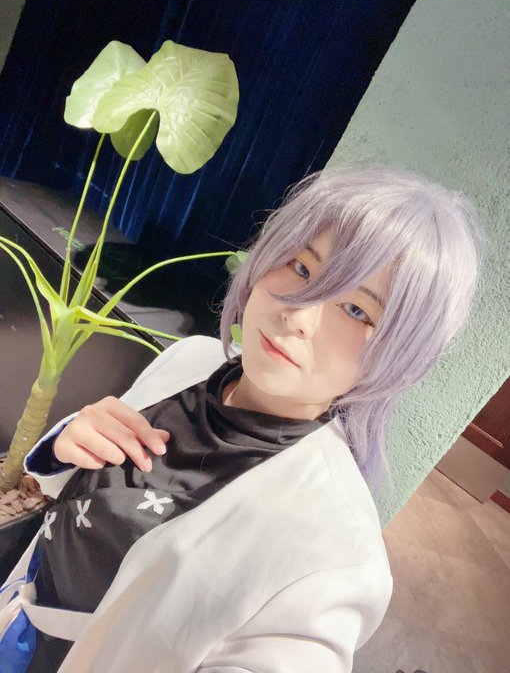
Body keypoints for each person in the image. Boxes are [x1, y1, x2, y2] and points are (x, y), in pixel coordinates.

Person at [0, 166, 483, 673]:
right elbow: (82, 506)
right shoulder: (190, 360)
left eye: (357, 311)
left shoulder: (337, 555)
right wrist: (65, 446)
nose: (299, 315)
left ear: (397, 357)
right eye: (302, 268)